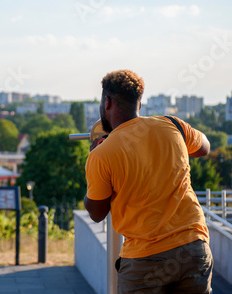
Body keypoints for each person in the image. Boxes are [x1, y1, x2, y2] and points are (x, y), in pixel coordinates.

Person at [84, 69, 213, 294]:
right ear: (139, 104)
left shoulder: (101, 155)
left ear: (107, 102)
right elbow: (204, 148)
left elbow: (96, 212)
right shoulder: (173, 125)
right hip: (193, 248)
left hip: (144, 262)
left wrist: (94, 159)